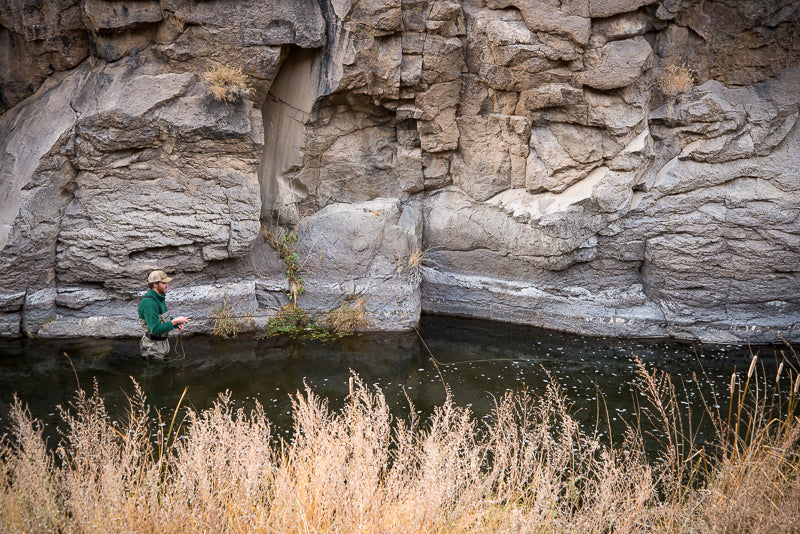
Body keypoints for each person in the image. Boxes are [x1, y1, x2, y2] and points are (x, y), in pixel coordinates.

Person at [138, 270, 190, 360]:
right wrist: (174, 322)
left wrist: (176, 324)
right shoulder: (149, 303)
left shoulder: (160, 298)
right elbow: (154, 329)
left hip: (163, 345)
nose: (167, 285)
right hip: (152, 349)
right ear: (155, 284)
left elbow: (162, 318)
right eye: (164, 282)